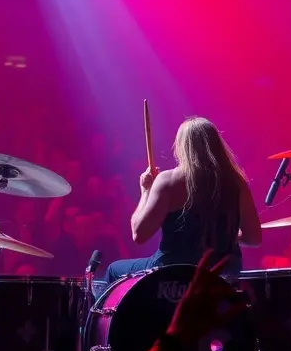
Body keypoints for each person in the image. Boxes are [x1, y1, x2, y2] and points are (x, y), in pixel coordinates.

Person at [97, 117, 260, 295]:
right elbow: (254, 238)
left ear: (182, 146)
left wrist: (145, 191)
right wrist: (219, 233)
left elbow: (139, 234)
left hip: (173, 273)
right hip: (222, 274)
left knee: (114, 270)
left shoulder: (169, 180)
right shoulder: (236, 182)